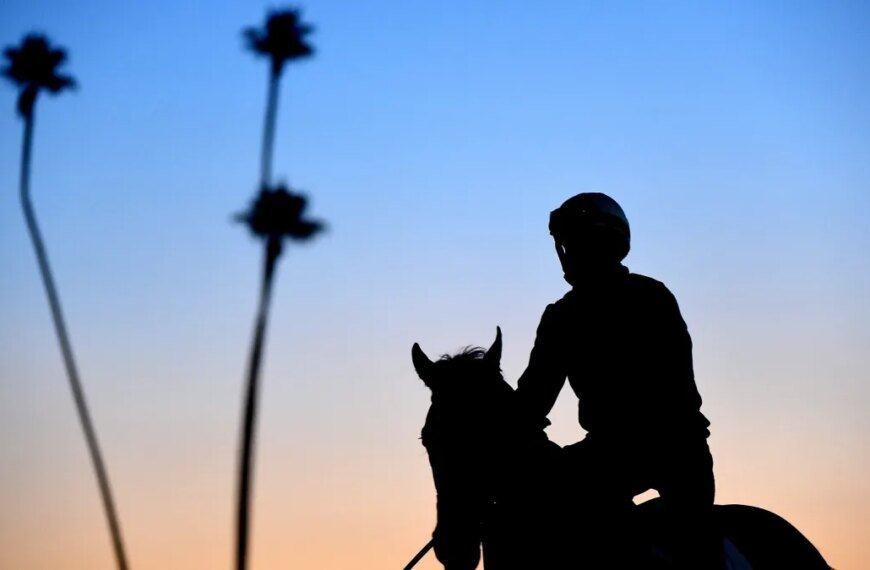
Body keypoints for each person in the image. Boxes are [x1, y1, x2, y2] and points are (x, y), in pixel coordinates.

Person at [516, 192, 719, 567]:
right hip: (606, 453)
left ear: (605, 245)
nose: (570, 253)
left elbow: (672, 394)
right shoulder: (560, 317)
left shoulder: (651, 298)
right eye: (568, 245)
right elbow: (531, 403)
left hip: (675, 449)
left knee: (696, 552)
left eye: (578, 243)